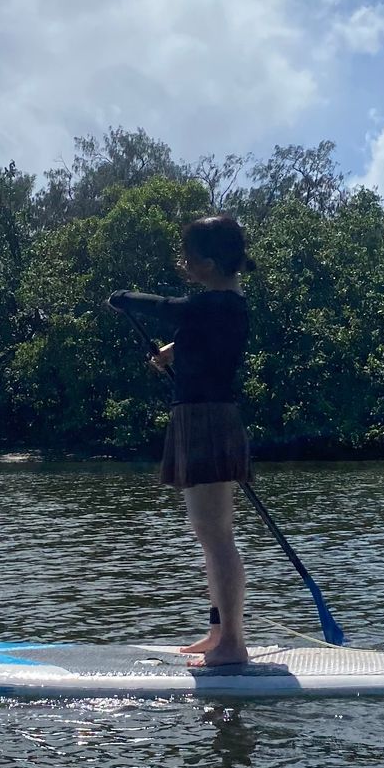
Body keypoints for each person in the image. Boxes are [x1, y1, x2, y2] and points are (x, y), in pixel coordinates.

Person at [107, 215, 254, 666]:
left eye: (188, 257)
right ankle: (219, 633)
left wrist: (123, 298)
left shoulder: (216, 303)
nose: (183, 263)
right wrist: (175, 351)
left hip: (207, 421)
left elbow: (171, 309)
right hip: (202, 418)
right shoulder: (221, 307)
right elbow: (201, 339)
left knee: (216, 535)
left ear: (208, 264)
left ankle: (233, 644)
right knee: (211, 535)